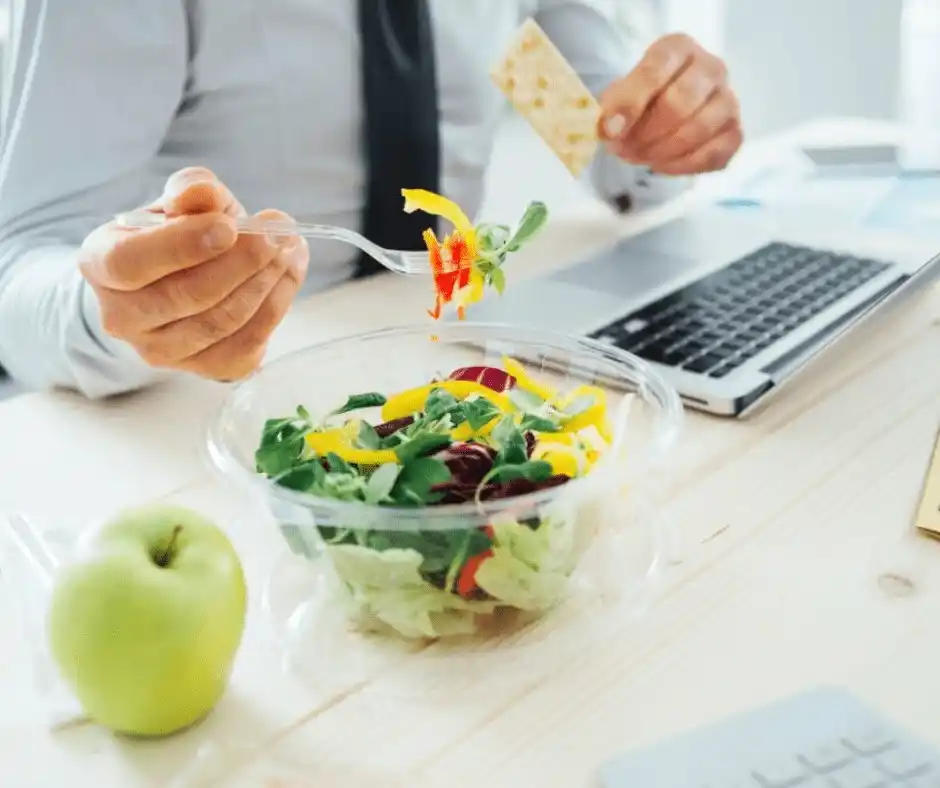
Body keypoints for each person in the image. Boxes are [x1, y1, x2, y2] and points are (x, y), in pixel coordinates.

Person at [0, 1, 742, 399]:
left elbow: (615, 150)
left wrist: (669, 130)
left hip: (461, 374)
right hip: (207, 410)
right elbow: (20, 265)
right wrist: (131, 311)